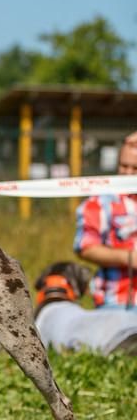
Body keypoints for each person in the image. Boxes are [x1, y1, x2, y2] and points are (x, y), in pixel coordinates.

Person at [35, 136, 137, 355]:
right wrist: (129, 258)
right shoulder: (102, 200)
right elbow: (85, 246)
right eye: (123, 165)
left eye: (135, 168)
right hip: (117, 303)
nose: (127, 173)